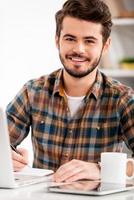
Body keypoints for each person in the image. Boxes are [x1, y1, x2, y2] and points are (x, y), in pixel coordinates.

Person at [6, 0, 134, 183]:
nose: (78, 49)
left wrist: (101, 170)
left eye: (89, 41)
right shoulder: (33, 92)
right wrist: (7, 159)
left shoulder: (122, 99)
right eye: (70, 38)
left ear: (105, 46)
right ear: (57, 40)